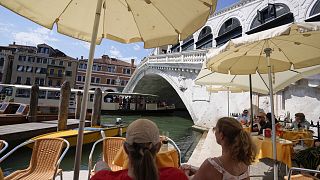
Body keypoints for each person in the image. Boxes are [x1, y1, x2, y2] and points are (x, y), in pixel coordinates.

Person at [91, 119, 188, 180]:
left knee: (100, 164)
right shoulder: (177, 176)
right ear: (158, 148)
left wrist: (103, 169)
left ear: (125, 148)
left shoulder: (101, 178)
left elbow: (100, 167)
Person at [181, 117, 256, 180]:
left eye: (215, 130)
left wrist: (185, 172)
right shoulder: (244, 162)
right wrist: (192, 168)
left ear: (221, 135)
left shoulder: (212, 164)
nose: (214, 132)